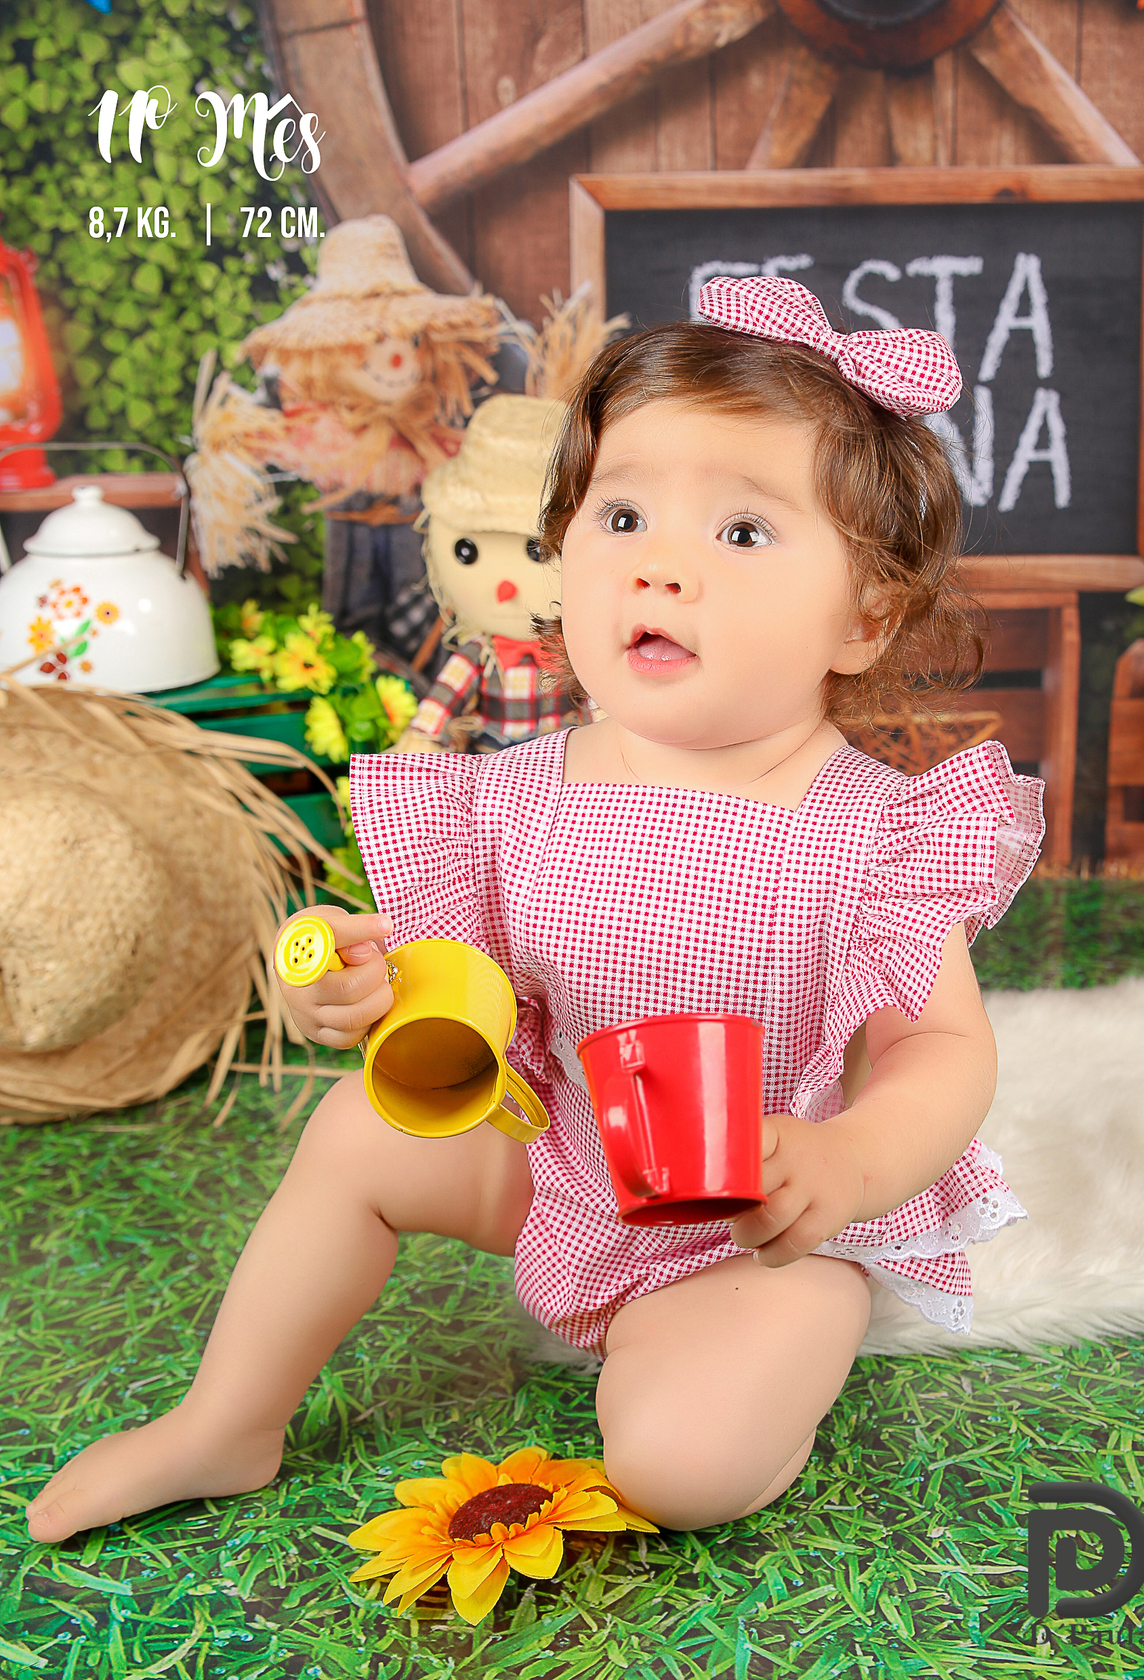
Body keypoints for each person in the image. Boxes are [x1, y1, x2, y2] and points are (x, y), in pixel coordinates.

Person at [28, 277, 1043, 1542]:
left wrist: (849, 1163)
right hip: (559, 1157)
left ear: (865, 616)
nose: (660, 564)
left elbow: (940, 1048)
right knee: (356, 1133)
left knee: (679, 1470)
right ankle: (226, 1418)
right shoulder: (513, 795)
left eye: (742, 532)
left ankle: (772, 1361)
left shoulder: (874, 833)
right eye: (622, 514)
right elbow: (462, 986)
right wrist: (364, 986)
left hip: (754, 1221)